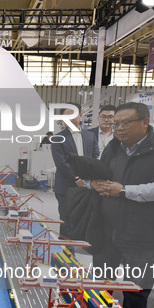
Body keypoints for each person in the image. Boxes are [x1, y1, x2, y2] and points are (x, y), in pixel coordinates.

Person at [90, 102, 154, 308]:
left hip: (143, 233)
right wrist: (93, 183)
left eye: (125, 123)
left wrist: (123, 190)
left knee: (137, 288)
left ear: (145, 122)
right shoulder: (112, 148)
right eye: (116, 123)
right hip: (108, 228)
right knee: (100, 283)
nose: (119, 128)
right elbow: (98, 175)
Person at [51, 103, 99, 242]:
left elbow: (95, 158)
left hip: (87, 186)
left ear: (81, 115)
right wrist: (77, 178)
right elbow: (61, 163)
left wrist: (90, 178)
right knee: (66, 219)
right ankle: (67, 254)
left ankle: (79, 245)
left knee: (84, 217)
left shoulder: (90, 137)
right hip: (66, 186)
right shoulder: (57, 138)